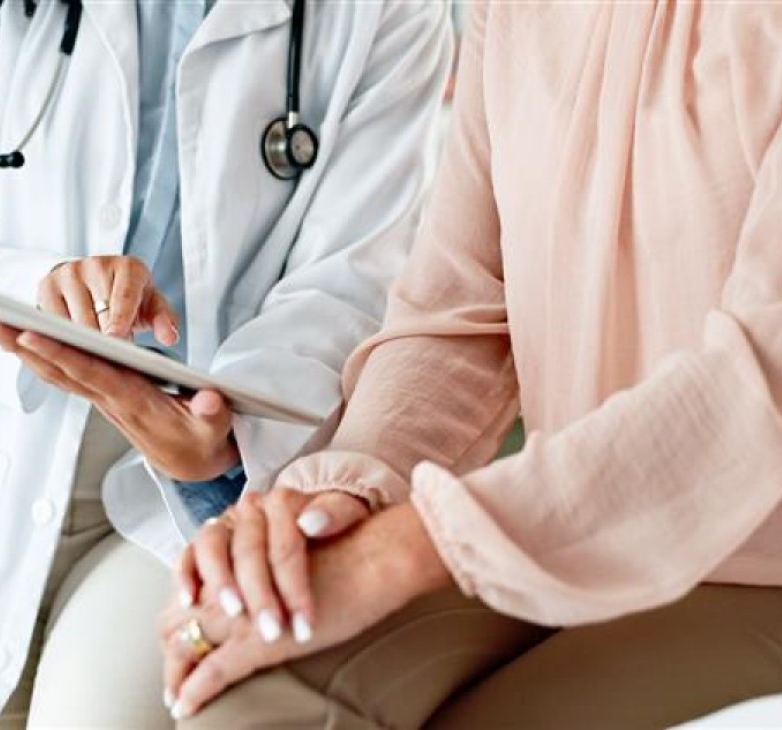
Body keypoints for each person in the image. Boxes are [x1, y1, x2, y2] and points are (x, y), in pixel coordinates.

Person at [0, 0, 453, 726]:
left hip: (200, 486)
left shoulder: (386, 13)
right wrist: (41, 291)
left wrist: (223, 439)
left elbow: (348, 283)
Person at [159, 2, 782, 727]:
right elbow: (457, 310)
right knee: (249, 694)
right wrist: (331, 502)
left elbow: (759, 382)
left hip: (756, 567)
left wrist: (407, 548)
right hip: (552, 530)